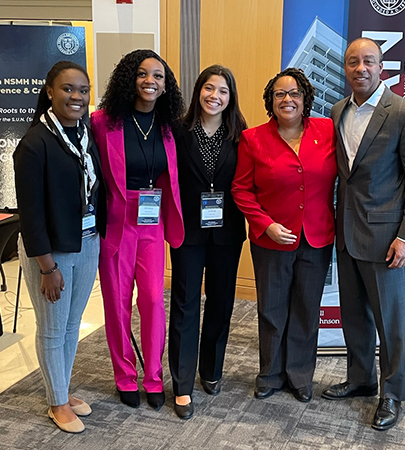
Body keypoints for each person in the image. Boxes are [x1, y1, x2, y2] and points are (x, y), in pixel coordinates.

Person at [321, 38, 405, 431]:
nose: (360, 68)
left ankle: (393, 393)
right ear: (346, 68)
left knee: (390, 323)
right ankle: (362, 379)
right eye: (353, 61)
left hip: (390, 241)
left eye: (368, 61)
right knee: (353, 316)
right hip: (348, 234)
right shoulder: (338, 111)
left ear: (381, 66)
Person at [231, 67, 336, 403]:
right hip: (272, 241)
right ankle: (271, 373)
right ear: (270, 101)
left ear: (306, 99)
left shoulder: (327, 131)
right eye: (280, 94)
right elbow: (241, 189)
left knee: (307, 309)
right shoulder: (253, 139)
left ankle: (301, 375)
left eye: (294, 93)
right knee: (272, 309)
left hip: (317, 236)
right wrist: (266, 224)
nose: (287, 99)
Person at [14, 61, 106, 433]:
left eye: (83, 90)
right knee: (53, 329)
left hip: (86, 242)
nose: (77, 97)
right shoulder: (34, 144)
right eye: (68, 89)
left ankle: (62, 391)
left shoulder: (85, 134)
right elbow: (30, 215)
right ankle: (56, 403)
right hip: (51, 253)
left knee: (70, 326)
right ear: (50, 92)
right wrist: (48, 268)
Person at [90, 49, 184, 410]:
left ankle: (153, 377)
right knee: (116, 304)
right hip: (116, 219)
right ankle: (125, 376)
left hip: (152, 219)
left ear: (165, 84)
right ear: (130, 79)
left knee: (151, 302)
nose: (150, 81)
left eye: (158, 76)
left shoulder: (168, 125)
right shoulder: (103, 122)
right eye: (143, 74)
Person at [168, 65, 247, 420]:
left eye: (223, 91)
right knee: (185, 302)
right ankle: (182, 384)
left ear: (231, 98)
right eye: (209, 88)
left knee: (221, 301)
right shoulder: (177, 132)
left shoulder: (242, 135)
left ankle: (211, 370)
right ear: (198, 90)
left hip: (227, 231)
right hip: (187, 231)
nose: (215, 96)